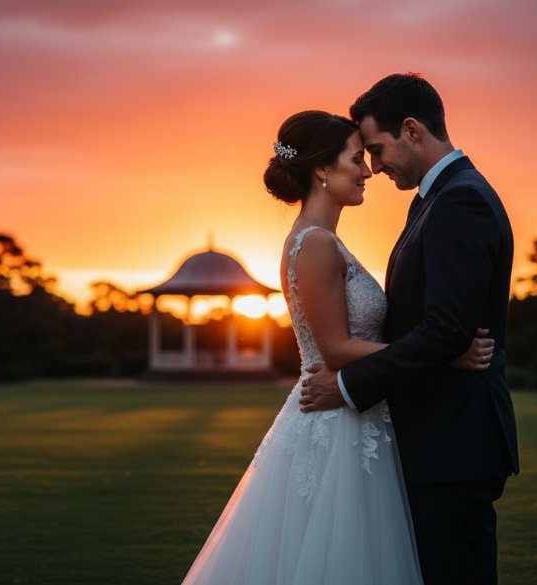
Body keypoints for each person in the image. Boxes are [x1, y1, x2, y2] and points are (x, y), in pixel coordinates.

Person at [180, 110, 494, 585]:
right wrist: (444, 352)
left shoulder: (322, 240)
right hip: (338, 423)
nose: (368, 170)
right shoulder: (316, 244)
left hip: (357, 414)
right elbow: (336, 349)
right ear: (322, 170)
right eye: (356, 159)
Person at [300, 74, 519, 585]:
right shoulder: (434, 200)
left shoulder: (457, 201)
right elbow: (432, 331)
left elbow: (444, 329)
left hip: (453, 444)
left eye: (377, 149)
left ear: (413, 130)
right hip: (435, 438)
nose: (375, 167)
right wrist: (442, 349)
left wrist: (348, 386)